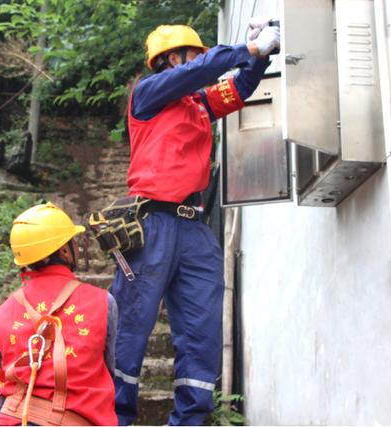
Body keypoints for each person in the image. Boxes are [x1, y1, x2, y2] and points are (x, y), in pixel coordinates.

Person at [110, 21, 280, 425]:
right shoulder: (148, 94)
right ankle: (114, 418)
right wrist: (249, 49)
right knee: (130, 328)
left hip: (194, 230)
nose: (201, 60)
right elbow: (203, 70)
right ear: (173, 58)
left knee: (202, 332)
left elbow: (240, 88)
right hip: (151, 223)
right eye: (194, 53)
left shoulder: (199, 103)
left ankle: (190, 421)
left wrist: (260, 56)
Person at [0, 202, 118, 426]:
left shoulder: (3, 313)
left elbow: (0, 381)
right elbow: (110, 369)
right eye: (73, 241)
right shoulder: (102, 302)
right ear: (64, 250)